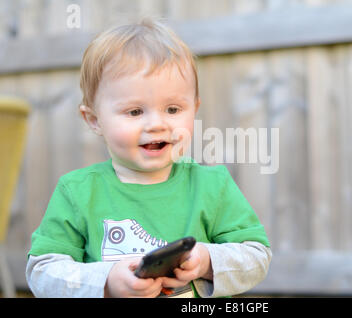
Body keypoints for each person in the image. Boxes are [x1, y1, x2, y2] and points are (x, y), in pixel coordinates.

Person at [26, 18, 271, 298]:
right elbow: (41, 271)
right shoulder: (78, 191)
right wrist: (106, 281)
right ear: (94, 120)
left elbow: (257, 255)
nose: (157, 124)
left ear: (195, 109)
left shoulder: (212, 185)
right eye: (134, 112)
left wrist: (206, 260)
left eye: (173, 109)